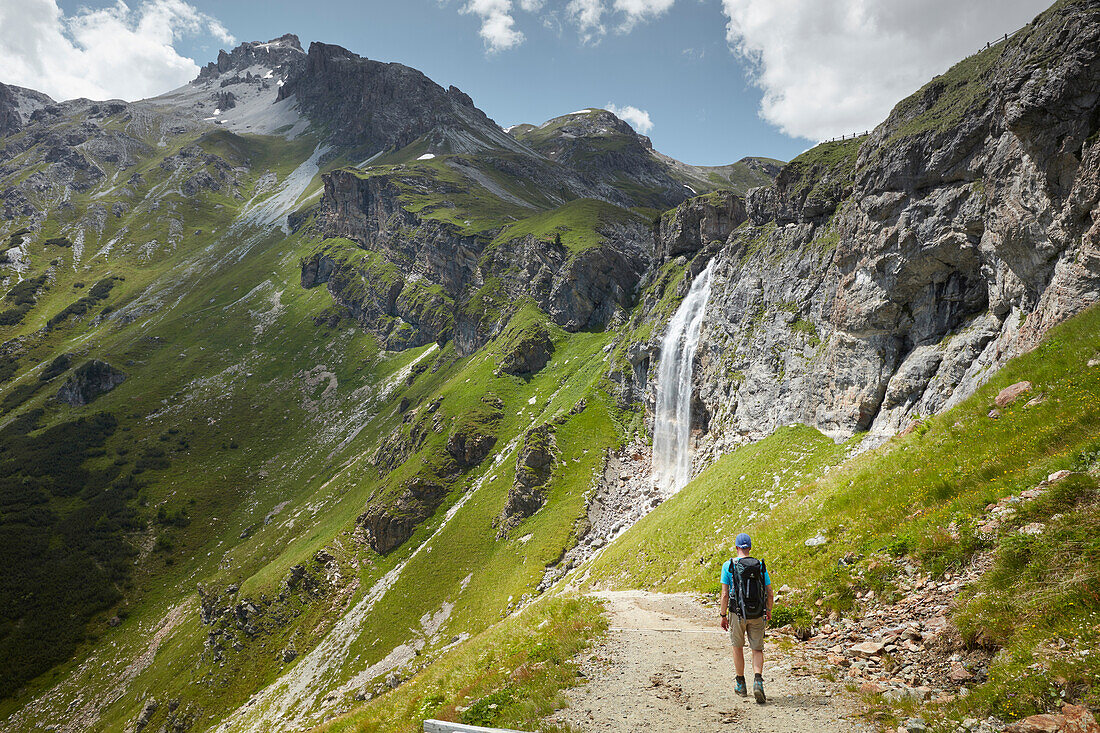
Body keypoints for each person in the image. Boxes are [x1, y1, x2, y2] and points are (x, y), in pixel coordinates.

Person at [719, 532, 774, 703]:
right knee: (757, 648)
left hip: (737, 612)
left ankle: (741, 684)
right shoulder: (759, 565)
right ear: (749, 547)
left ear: (736, 547)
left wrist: (723, 615)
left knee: (738, 647)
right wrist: (768, 610)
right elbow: (770, 592)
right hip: (757, 612)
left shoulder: (728, 565)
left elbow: (725, 594)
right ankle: (758, 681)